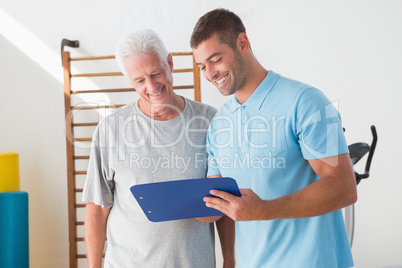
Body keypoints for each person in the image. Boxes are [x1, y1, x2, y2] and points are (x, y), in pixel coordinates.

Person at [190, 8, 358, 268]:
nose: (209, 74)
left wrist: (265, 209)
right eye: (202, 66)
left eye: (215, 59)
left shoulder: (305, 102)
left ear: (242, 44)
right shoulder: (219, 124)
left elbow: (344, 187)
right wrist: (176, 202)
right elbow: (216, 203)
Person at [82, 29, 234, 268]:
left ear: (170, 63)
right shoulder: (110, 129)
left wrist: (230, 260)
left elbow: (224, 202)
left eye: (156, 73)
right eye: (139, 80)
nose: (152, 86)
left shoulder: (210, 122)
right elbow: (97, 208)